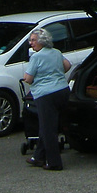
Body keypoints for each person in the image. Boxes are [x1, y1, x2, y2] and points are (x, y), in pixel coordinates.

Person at [22, 27, 71, 171]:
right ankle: (38, 156)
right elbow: (67, 65)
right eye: (30, 40)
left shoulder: (36, 57)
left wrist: (31, 78)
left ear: (42, 41)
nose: (31, 43)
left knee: (48, 129)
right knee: (48, 125)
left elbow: (28, 78)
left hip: (46, 95)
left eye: (33, 40)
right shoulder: (56, 52)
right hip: (62, 91)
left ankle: (54, 162)